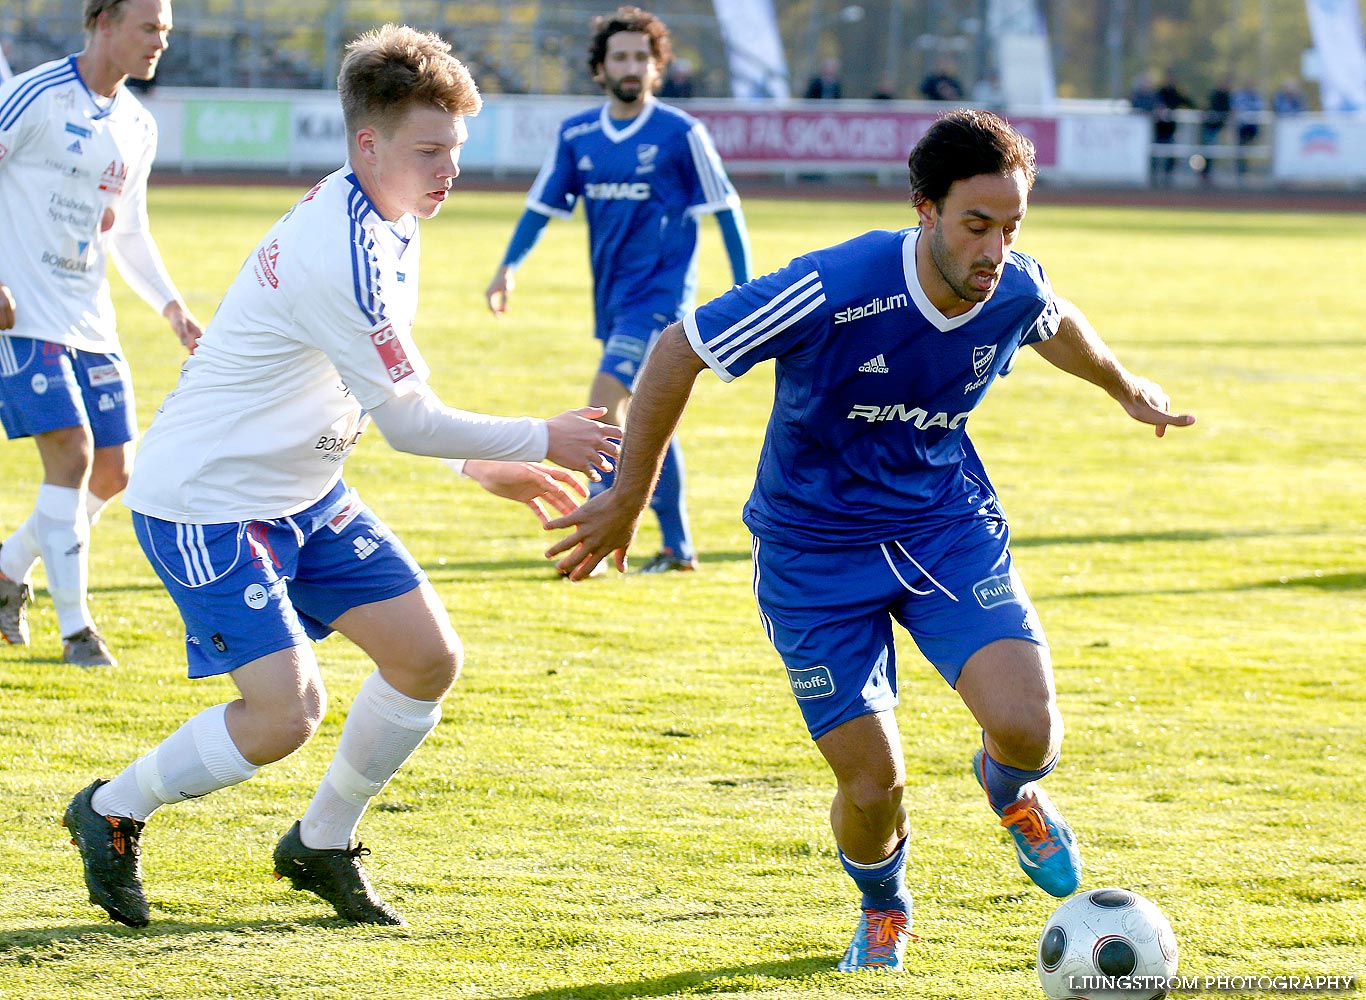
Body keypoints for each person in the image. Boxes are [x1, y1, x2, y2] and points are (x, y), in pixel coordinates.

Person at [547, 109, 1195, 971]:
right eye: (976, 226)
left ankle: (1010, 793)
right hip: (812, 556)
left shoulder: (1010, 285)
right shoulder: (834, 285)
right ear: (924, 209)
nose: (994, 250)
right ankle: (884, 904)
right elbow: (678, 350)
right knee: (872, 785)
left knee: (1029, 730)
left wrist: (1123, 386)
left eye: (1010, 228)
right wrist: (628, 495)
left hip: (941, 528)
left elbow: (1053, 314)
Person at [61, 23, 620, 929]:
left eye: (457, 150)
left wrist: (476, 459)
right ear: (369, 143)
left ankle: (321, 843)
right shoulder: (344, 250)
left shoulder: (388, 214)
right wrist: (536, 439)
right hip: (205, 502)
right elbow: (403, 419)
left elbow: (386, 382)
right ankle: (111, 811)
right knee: (285, 714)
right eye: (430, 150)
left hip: (304, 492)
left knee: (427, 658)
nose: (451, 170)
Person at [485, 6, 751, 574]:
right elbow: (539, 209)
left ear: (657, 68)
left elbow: (727, 211)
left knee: (604, 407)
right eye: (621, 57)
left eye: (642, 57)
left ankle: (594, 540)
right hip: (612, 303)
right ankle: (678, 546)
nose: (632, 66)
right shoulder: (578, 134)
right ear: (601, 68)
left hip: (660, 304)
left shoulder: (681, 134)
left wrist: (743, 286)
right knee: (647, 417)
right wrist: (508, 266)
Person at [0, 0, 203, 666]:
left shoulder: (138, 125)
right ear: (103, 22)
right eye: (149, 29)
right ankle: (77, 630)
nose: (159, 44)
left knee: (115, 471)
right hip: (22, 313)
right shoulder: (33, 95)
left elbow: (131, 229)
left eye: (166, 33)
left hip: (90, 316)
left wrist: (171, 305)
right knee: (73, 455)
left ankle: (6, 570)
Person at [1151, 72, 1193, 186]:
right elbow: (1154, 105)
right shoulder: (1160, 92)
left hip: (1171, 130)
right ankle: (1153, 177)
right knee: (1156, 153)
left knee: (1171, 154)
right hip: (1159, 129)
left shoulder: (1176, 93)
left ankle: (1167, 178)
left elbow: (1188, 103)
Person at [1198, 78, 1232, 184]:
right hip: (1209, 127)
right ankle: (1204, 174)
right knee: (1207, 151)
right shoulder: (1215, 95)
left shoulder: (1227, 96)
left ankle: (1206, 174)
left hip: (1216, 128)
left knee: (1211, 152)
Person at [1230, 80, 1264, 181]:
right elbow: (1236, 107)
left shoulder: (1256, 96)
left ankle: (1247, 169)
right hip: (1242, 126)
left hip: (1252, 127)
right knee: (1241, 148)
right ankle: (1241, 171)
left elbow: (1259, 108)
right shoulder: (1240, 95)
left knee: (1249, 148)